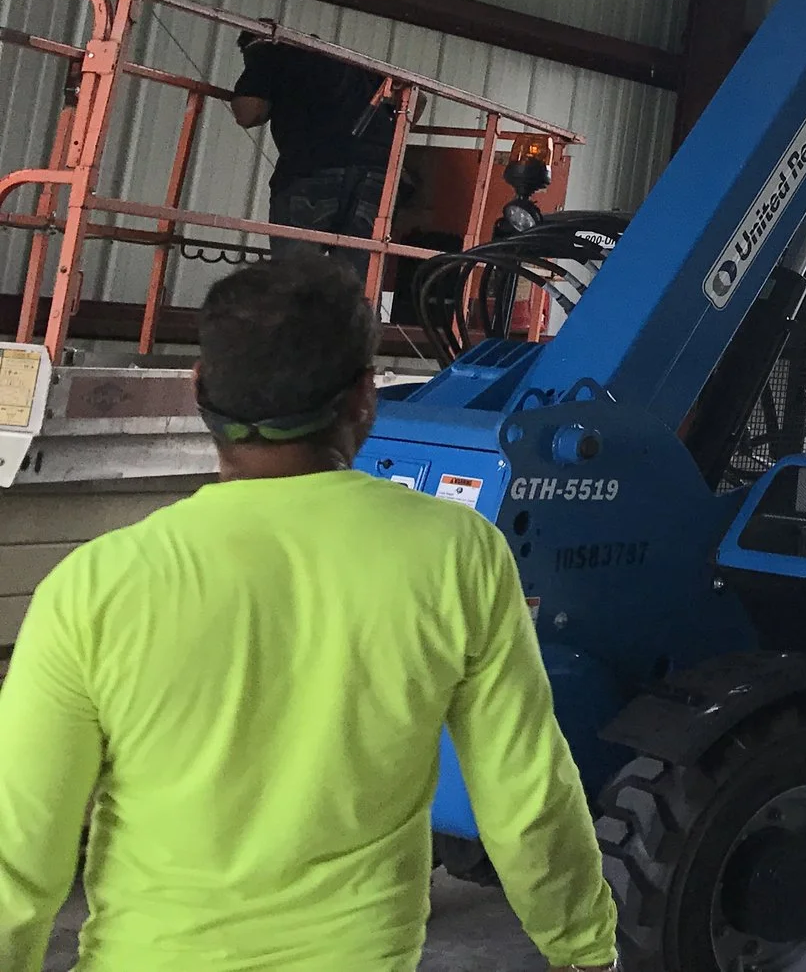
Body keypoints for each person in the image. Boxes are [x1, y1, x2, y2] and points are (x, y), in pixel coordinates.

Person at [0, 259, 616, 972]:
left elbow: (21, 840)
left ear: (199, 389)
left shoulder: (97, 586)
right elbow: (527, 797)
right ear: (363, 398)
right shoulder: (456, 556)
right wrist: (583, 948)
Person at [228, 30, 394, 263]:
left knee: (295, 280)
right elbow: (416, 102)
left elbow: (250, 112)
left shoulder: (267, 51)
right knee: (356, 286)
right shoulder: (347, 61)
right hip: (376, 180)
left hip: (312, 172)